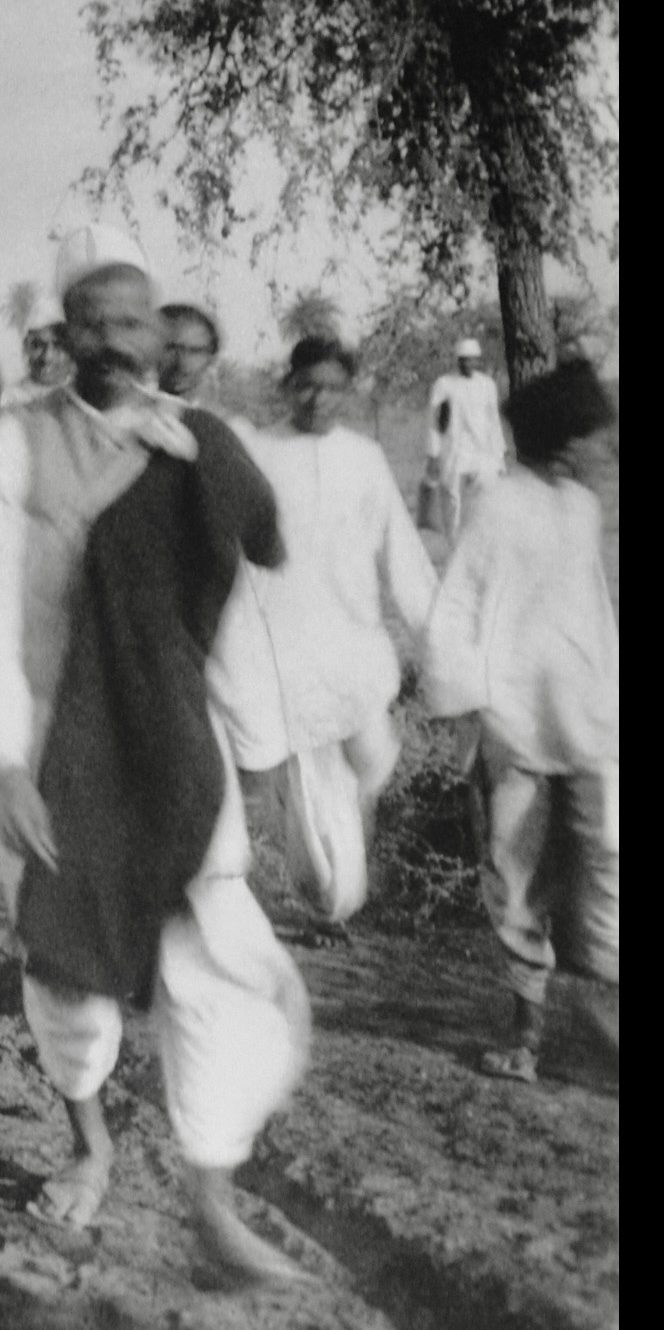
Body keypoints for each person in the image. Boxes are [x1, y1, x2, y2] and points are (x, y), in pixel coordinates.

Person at [0, 227, 307, 1283]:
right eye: (91, 323)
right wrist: (3, 764)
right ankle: (88, 1145)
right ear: (62, 335)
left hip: (173, 749)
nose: (112, 341)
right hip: (49, 750)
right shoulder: (4, 450)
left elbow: (239, 608)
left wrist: (262, 751)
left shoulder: (197, 444)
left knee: (218, 972)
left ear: (157, 330)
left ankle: (210, 1200)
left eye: (131, 320)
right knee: (70, 974)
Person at [422, 360, 617, 1084]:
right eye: (587, 439)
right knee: (518, 874)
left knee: (608, 868)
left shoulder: (582, 508)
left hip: (589, 719)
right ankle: (529, 1040)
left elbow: (593, 610)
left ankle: (601, 1033)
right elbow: (461, 609)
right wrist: (471, 715)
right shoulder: (497, 504)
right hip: (519, 724)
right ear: (559, 440)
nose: (596, 452)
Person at [224, 336, 437, 939]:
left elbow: (402, 552)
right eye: (307, 384)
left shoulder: (365, 459)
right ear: (288, 385)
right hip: (280, 647)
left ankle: (334, 879)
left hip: (353, 644)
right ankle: (326, 895)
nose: (319, 398)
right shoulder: (258, 451)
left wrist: (440, 645)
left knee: (370, 763)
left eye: (333, 387)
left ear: (349, 392)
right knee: (307, 787)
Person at [425, 337, 507, 540]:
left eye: (473, 360)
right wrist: (433, 454)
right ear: (458, 360)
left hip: (483, 450)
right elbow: (433, 422)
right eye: (465, 360)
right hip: (455, 449)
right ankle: (454, 546)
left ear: (479, 361)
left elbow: (493, 421)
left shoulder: (487, 385)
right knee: (453, 500)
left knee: (486, 497)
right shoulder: (444, 384)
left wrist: (500, 454)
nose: (469, 364)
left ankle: (482, 544)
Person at [5, 295, 71, 407]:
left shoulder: (85, 399)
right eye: (37, 346)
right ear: (26, 348)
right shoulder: (8, 400)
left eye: (58, 346)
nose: (47, 357)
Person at [159, 303, 222, 404]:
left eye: (195, 351)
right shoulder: (129, 412)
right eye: (172, 348)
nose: (183, 360)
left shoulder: (220, 419)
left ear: (211, 359)